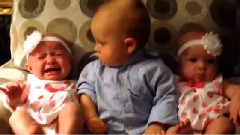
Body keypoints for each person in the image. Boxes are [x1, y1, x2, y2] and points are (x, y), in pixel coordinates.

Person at [77, 0, 179, 134]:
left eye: (101, 43)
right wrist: (91, 117)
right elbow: (85, 93)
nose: (96, 48)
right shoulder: (94, 69)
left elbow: (167, 95)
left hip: (144, 131)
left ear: (129, 45)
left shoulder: (155, 69)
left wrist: (156, 124)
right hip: (107, 131)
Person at [0, 31, 83, 134]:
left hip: (62, 129)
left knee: (72, 108)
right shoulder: (28, 85)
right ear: (29, 68)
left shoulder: (77, 85)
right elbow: (8, 99)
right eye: (41, 57)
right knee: (16, 117)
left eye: (57, 54)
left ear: (71, 62)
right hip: (34, 124)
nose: (50, 60)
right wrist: (15, 102)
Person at [167, 31, 240, 134]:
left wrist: (236, 103)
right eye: (193, 60)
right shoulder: (174, 83)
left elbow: (237, 90)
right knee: (171, 131)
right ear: (179, 62)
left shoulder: (216, 82)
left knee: (222, 124)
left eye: (210, 61)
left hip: (213, 119)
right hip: (184, 124)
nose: (202, 66)